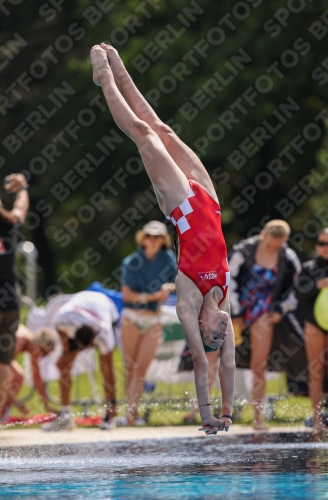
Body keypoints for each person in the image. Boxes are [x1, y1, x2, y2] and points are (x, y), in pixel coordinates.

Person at [90, 43, 235, 435]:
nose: (223, 332)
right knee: (164, 128)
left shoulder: (189, 303)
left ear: (203, 328)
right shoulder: (222, 298)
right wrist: (229, 414)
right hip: (211, 202)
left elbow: (206, 365)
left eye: (215, 335)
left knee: (146, 137)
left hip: (182, 206)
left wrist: (206, 416)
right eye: (224, 332)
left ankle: (103, 77)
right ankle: (120, 71)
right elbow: (229, 365)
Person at [229, 220, 301, 430]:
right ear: (263, 235)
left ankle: (257, 418)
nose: (273, 249)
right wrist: (235, 313)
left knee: (258, 366)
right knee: (217, 359)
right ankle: (208, 412)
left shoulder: (288, 257)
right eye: (270, 245)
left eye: (277, 246)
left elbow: (297, 287)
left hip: (266, 312)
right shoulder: (243, 251)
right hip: (238, 307)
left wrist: (283, 308)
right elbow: (228, 279)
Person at [119, 220, 177, 426]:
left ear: (163, 240)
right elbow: (127, 295)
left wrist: (168, 288)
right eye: (149, 236)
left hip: (154, 319)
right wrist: (152, 297)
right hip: (132, 317)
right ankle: (130, 413)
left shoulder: (168, 258)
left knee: (141, 368)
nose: (153, 240)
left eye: (157, 237)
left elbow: (177, 281)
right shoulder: (131, 261)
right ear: (143, 238)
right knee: (131, 366)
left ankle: (131, 413)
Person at [41, 290, 119, 431]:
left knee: (106, 368)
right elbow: (65, 349)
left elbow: (109, 370)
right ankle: (65, 415)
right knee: (64, 365)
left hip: (105, 305)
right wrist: (66, 354)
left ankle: (110, 414)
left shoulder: (104, 332)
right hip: (80, 305)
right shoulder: (62, 319)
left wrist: (113, 403)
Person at [0, 173, 29, 432]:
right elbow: (20, 208)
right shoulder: (8, 225)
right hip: (11, 304)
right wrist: (22, 188)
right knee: (3, 363)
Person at [295, 228, 328, 432]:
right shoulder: (308, 268)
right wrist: (318, 285)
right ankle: (317, 420)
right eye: (321, 243)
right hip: (314, 325)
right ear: (316, 246)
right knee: (316, 373)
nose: (325, 248)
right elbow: (298, 294)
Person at [4, 324, 57, 417]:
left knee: (18, 377)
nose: (40, 356)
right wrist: (17, 403)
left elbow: (36, 377)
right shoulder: (19, 341)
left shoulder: (31, 343)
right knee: (16, 377)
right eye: (43, 353)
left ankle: (0, 414)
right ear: (40, 345)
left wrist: (47, 405)